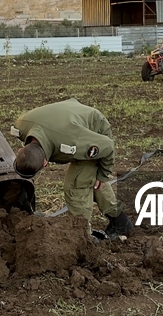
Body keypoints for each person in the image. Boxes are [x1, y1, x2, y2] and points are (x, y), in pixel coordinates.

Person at [11, 98, 131, 239]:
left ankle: (83, 237)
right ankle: (120, 222)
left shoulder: (72, 143)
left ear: (45, 163)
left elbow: (107, 146)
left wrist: (103, 174)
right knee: (90, 178)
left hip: (94, 131)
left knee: (76, 185)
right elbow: (31, 152)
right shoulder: (20, 126)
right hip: (69, 119)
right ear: (20, 150)